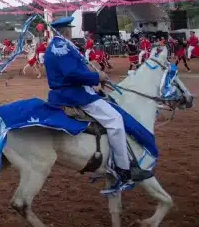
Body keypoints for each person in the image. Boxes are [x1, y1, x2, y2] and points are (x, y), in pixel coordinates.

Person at [44, 17, 153, 190]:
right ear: (66, 31)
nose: (71, 33)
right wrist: (97, 77)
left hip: (70, 92)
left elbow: (75, 69)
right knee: (116, 121)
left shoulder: (58, 46)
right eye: (70, 30)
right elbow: (71, 73)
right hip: (74, 95)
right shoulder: (62, 47)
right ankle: (123, 169)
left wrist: (94, 73)